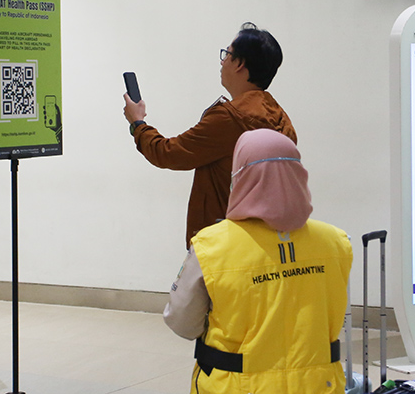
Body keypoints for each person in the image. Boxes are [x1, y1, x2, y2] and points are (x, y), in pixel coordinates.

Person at [164, 129, 352, 394]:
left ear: (240, 177)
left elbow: (182, 322)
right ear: (299, 175)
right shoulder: (335, 243)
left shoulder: (212, 246)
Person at [123, 22, 296, 250]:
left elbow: (168, 153)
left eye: (227, 54)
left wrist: (138, 123)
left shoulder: (230, 119)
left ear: (240, 64)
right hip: (264, 240)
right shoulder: (282, 121)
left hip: (222, 242)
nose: (223, 61)